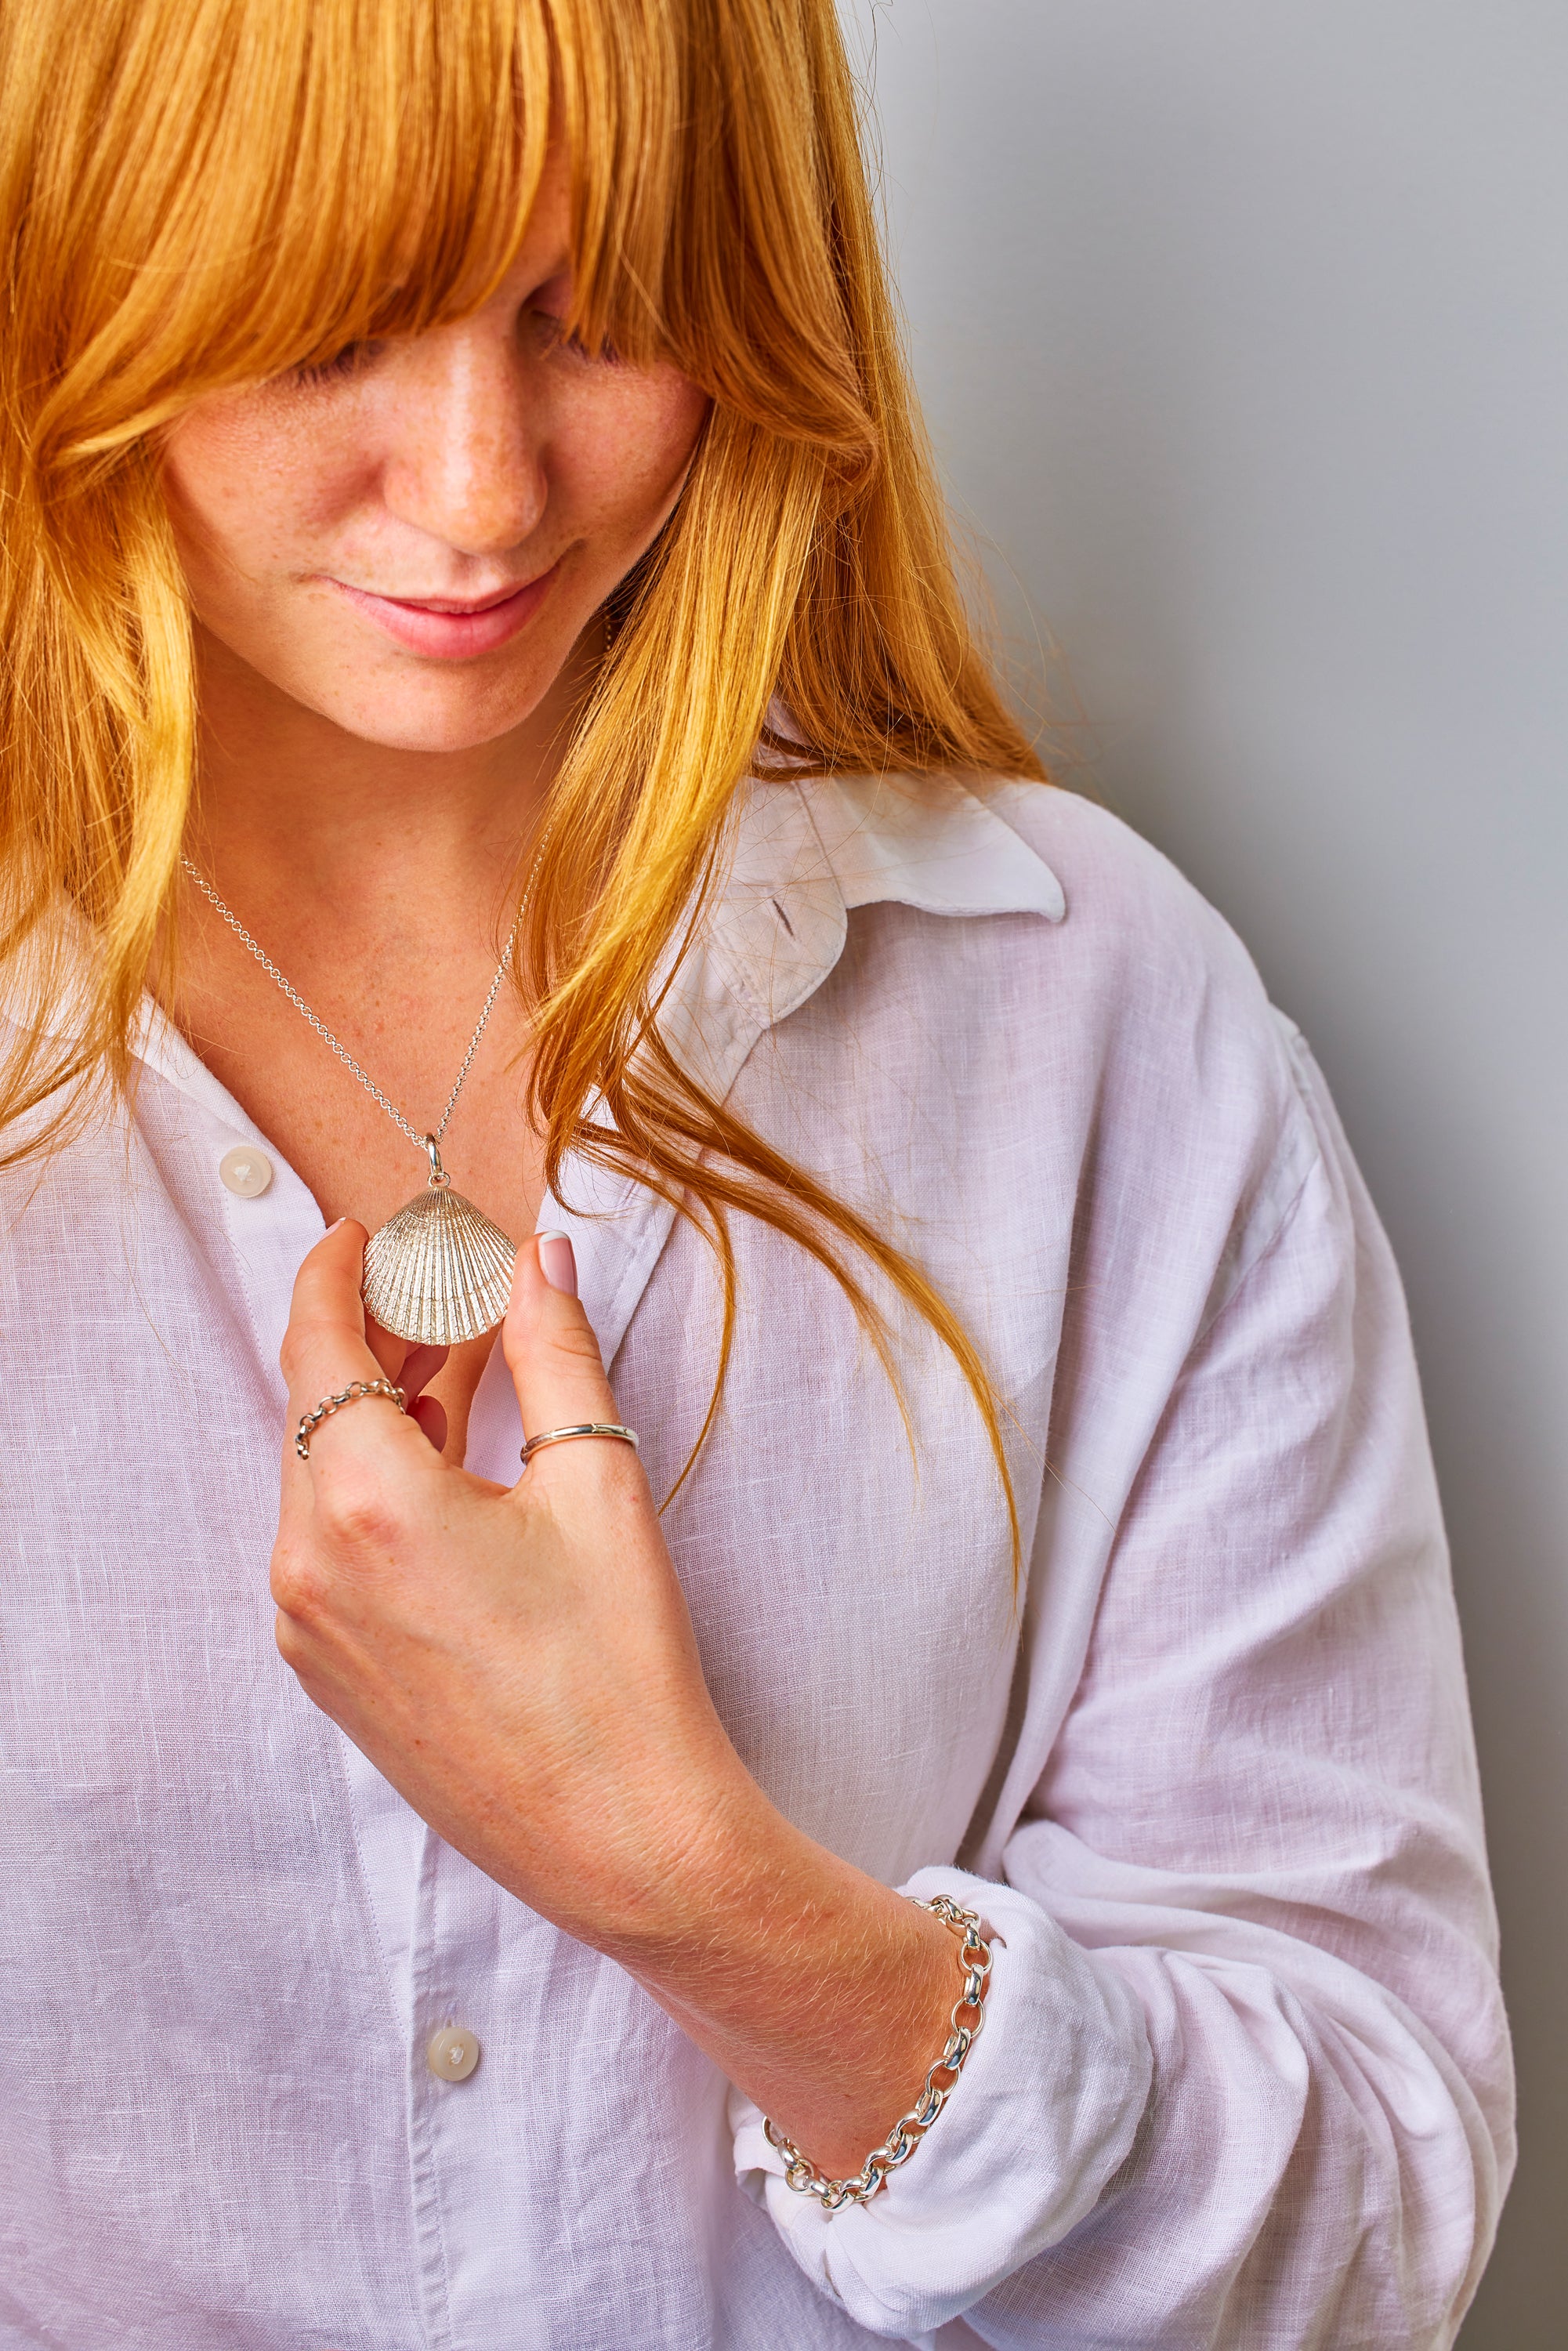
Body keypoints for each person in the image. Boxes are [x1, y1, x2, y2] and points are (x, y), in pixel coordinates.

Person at [0, 0, 1512, 2343]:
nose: (486, 488)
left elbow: (1372, 2214)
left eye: (599, 314)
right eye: (324, 329)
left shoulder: (1074, 1006)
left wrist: (708, 1897)